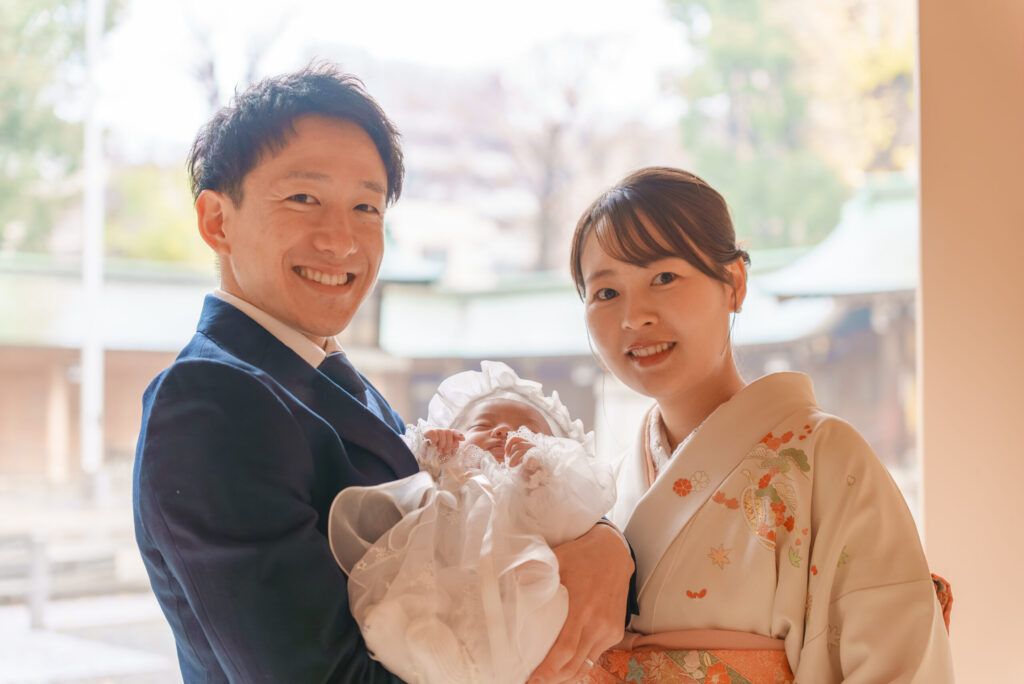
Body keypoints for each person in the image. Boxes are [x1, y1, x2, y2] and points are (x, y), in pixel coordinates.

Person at [131, 63, 634, 683]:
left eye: (366, 206)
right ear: (217, 221)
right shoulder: (212, 401)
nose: (342, 241)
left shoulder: (332, 382)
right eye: (303, 198)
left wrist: (604, 544)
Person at [569, 167, 955, 683]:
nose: (634, 316)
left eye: (663, 278)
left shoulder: (827, 457)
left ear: (734, 283)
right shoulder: (601, 494)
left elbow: (901, 665)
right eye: (605, 293)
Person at [328, 360, 617, 684]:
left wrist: (541, 473)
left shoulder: (538, 484)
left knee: (526, 622)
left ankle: (466, 668)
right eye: (482, 424)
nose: (502, 431)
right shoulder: (450, 472)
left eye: (527, 430)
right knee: (405, 606)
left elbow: (572, 516)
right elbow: (407, 482)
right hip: (446, 570)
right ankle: (423, 647)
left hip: (518, 584)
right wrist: (429, 450)